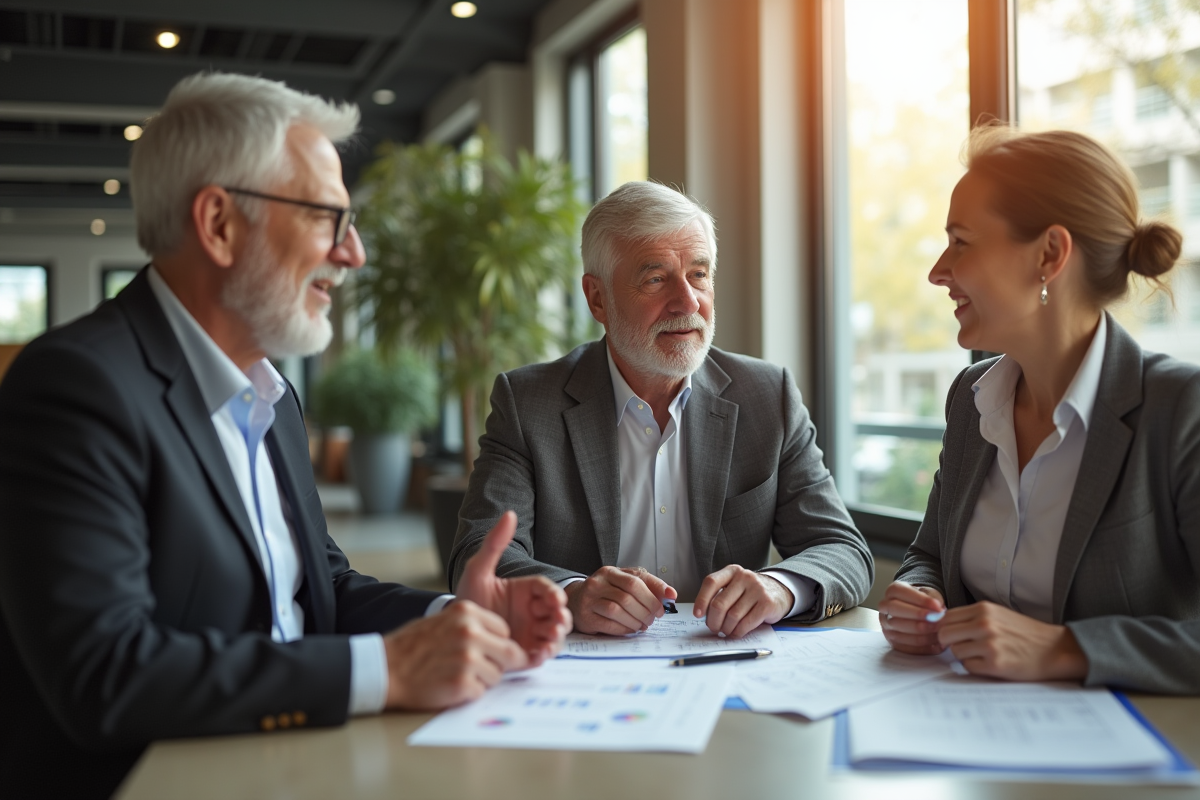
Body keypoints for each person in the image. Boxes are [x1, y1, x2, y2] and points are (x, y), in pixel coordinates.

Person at [0, 72, 570, 799]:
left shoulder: (272, 396)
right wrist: (392, 670)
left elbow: (318, 589)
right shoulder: (77, 387)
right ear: (219, 224)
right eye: (328, 218)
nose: (353, 253)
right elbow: (106, 673)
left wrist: (459, 615)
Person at [449, 181, 873, 639]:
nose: (688, 302)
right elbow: (478, 557)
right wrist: (571, 595)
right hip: (585, 671)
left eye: (699, 274)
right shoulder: (529, 403)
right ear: (598, 298)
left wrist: (778, 586)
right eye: (655, 278)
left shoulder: (767, 396)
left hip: (727, 665)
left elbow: (841, 548)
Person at [879, 124, 1200, 694]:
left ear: (1050, 254)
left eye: (961, 240)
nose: (937, 271)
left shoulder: (1181, 410)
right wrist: (922, 595)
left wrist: (1066, 649)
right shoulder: (971, 398)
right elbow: (927, 553)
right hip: (967, 737)